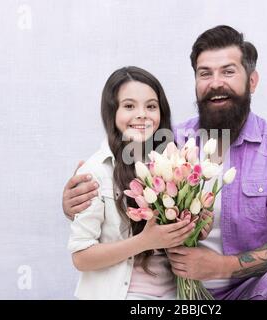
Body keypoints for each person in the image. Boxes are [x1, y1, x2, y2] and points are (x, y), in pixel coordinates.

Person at [63, 26, 267, 300]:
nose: (216, 83)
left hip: (248, 289)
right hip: (179, 294)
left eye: (228, 71)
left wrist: (223, 267)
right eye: (205, 73)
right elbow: (118, 188)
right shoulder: (168, 141)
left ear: (252, 81)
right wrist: (75, 203)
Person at [67, 66, 196, 299]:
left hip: (175, 295)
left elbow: (177, 238)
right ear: (112, 112)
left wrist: (195, 228)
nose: (142, 114)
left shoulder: (172, 163)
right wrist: (144, 242)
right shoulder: (96, 171)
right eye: (129, 106)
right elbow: (81, 256)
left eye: (151, 106)